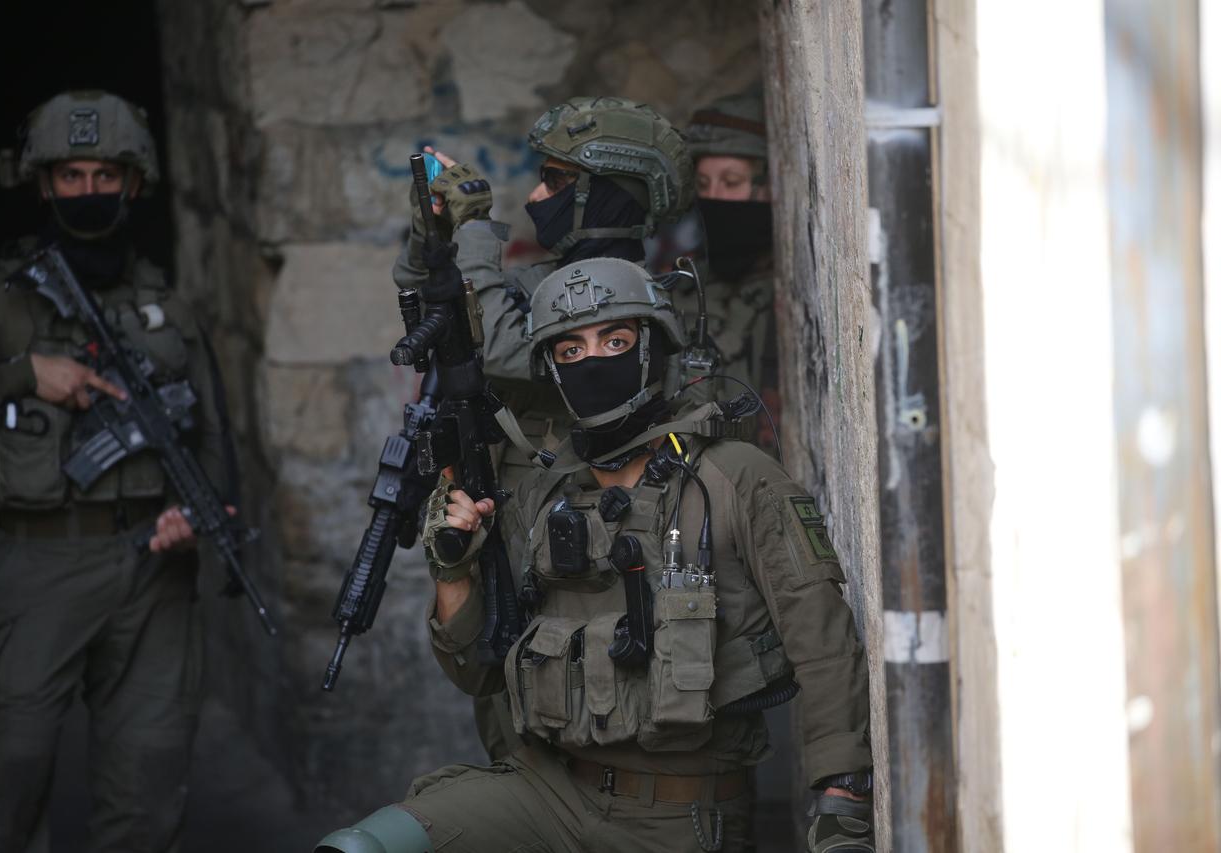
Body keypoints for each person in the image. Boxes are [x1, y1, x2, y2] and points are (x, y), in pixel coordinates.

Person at [317, 258, 875, 853]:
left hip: (678, 811)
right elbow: (478, 673)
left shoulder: (734, 479)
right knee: (362, 848)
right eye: (570, 352)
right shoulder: (547, 491)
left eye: (615, 340)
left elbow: (823, 641)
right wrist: (452, 568)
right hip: (547, 792)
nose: (593, 362)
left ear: (652, 346)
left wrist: (841, 798)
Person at [0, 90, 231, 852]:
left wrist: (200, 513)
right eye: (71, 176)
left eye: (107, 174)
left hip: (154, 571)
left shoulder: (167, 306)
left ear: (135, 183)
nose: (90, 192)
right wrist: (19, 375)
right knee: (14, 771)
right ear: (42, 184)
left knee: (148, 781)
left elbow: (214, 437)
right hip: (39, 560)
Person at [393, 95, 695, 761]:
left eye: (555, 181)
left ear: (605, 192)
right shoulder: (541, 280)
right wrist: (431, 234)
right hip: (511, 531)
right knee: (505, 718)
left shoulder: (642, 296)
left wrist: (476, 228)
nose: (536, 195)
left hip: (586, 557)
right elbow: (439, 311)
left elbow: (502, 347)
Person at [678, 89, 780, 431]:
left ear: (768, 186)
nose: (714, 199)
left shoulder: (793, 294)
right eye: (704, 184)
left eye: (732, 182)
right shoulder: (688, 287)